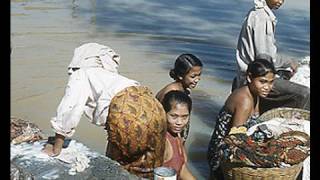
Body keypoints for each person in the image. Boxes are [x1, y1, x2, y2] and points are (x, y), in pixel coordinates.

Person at [42, 43, 167, 179]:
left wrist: (56, 149)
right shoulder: (112, 77)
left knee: (117, 170)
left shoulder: (82, 73)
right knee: (148, 169)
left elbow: (69, 110)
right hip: (155, 108)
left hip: (127, 113)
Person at [233, 0, 309, 113]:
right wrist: (289, 62)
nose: (280, 1)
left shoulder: (256, 13)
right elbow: (264, 57)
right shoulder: (263, 18)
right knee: (304, 93)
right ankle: (292, 123)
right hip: (256, 75)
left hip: (250, 73)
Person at [208, 58, 276, 180]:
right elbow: (236, 139)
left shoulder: (254, 93)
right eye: (263, 81)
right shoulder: (244, 100)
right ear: (249, 78)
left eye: (271, 82)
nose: (267, 87)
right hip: (221, 155)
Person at [156, 53, 203, 142]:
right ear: (181, 76)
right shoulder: (171, 94)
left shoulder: (184, 90)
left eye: (199, 75)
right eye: (193, 76)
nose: (197, 80)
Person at [161, 91, 196, 180]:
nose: (179, 122)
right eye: (174, 116)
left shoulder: (177, 135)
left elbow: (182, 169)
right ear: (163, 113)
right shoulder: (162, 141)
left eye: (184, 117)